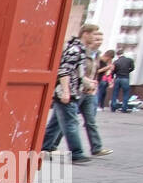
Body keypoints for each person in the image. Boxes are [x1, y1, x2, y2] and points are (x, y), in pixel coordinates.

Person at [42, 24, 96, 163]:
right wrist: (66, 91)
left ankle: (44, 147)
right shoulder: (74, 49)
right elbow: (64, 70)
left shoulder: (80, 50)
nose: (95, 38)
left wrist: (86, 82)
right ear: (85, 33)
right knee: (71, 123)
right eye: (94, 34)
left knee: (56, 123)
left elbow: (75, 73)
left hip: (70, 91)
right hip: (67, 92)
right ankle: (77, 153)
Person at [76, 28, 112, 156]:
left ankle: (96, 147)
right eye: (96, 38)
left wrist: (93, 85)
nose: (98, 41)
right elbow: (76, 71)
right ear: (86, 36)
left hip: (90, 91)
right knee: (65, 120)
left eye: (100, 39)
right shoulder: (80, 51)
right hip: (77, 90)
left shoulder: (96, 54)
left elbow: (94, 72)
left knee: (90, 120)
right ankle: (48, 145)